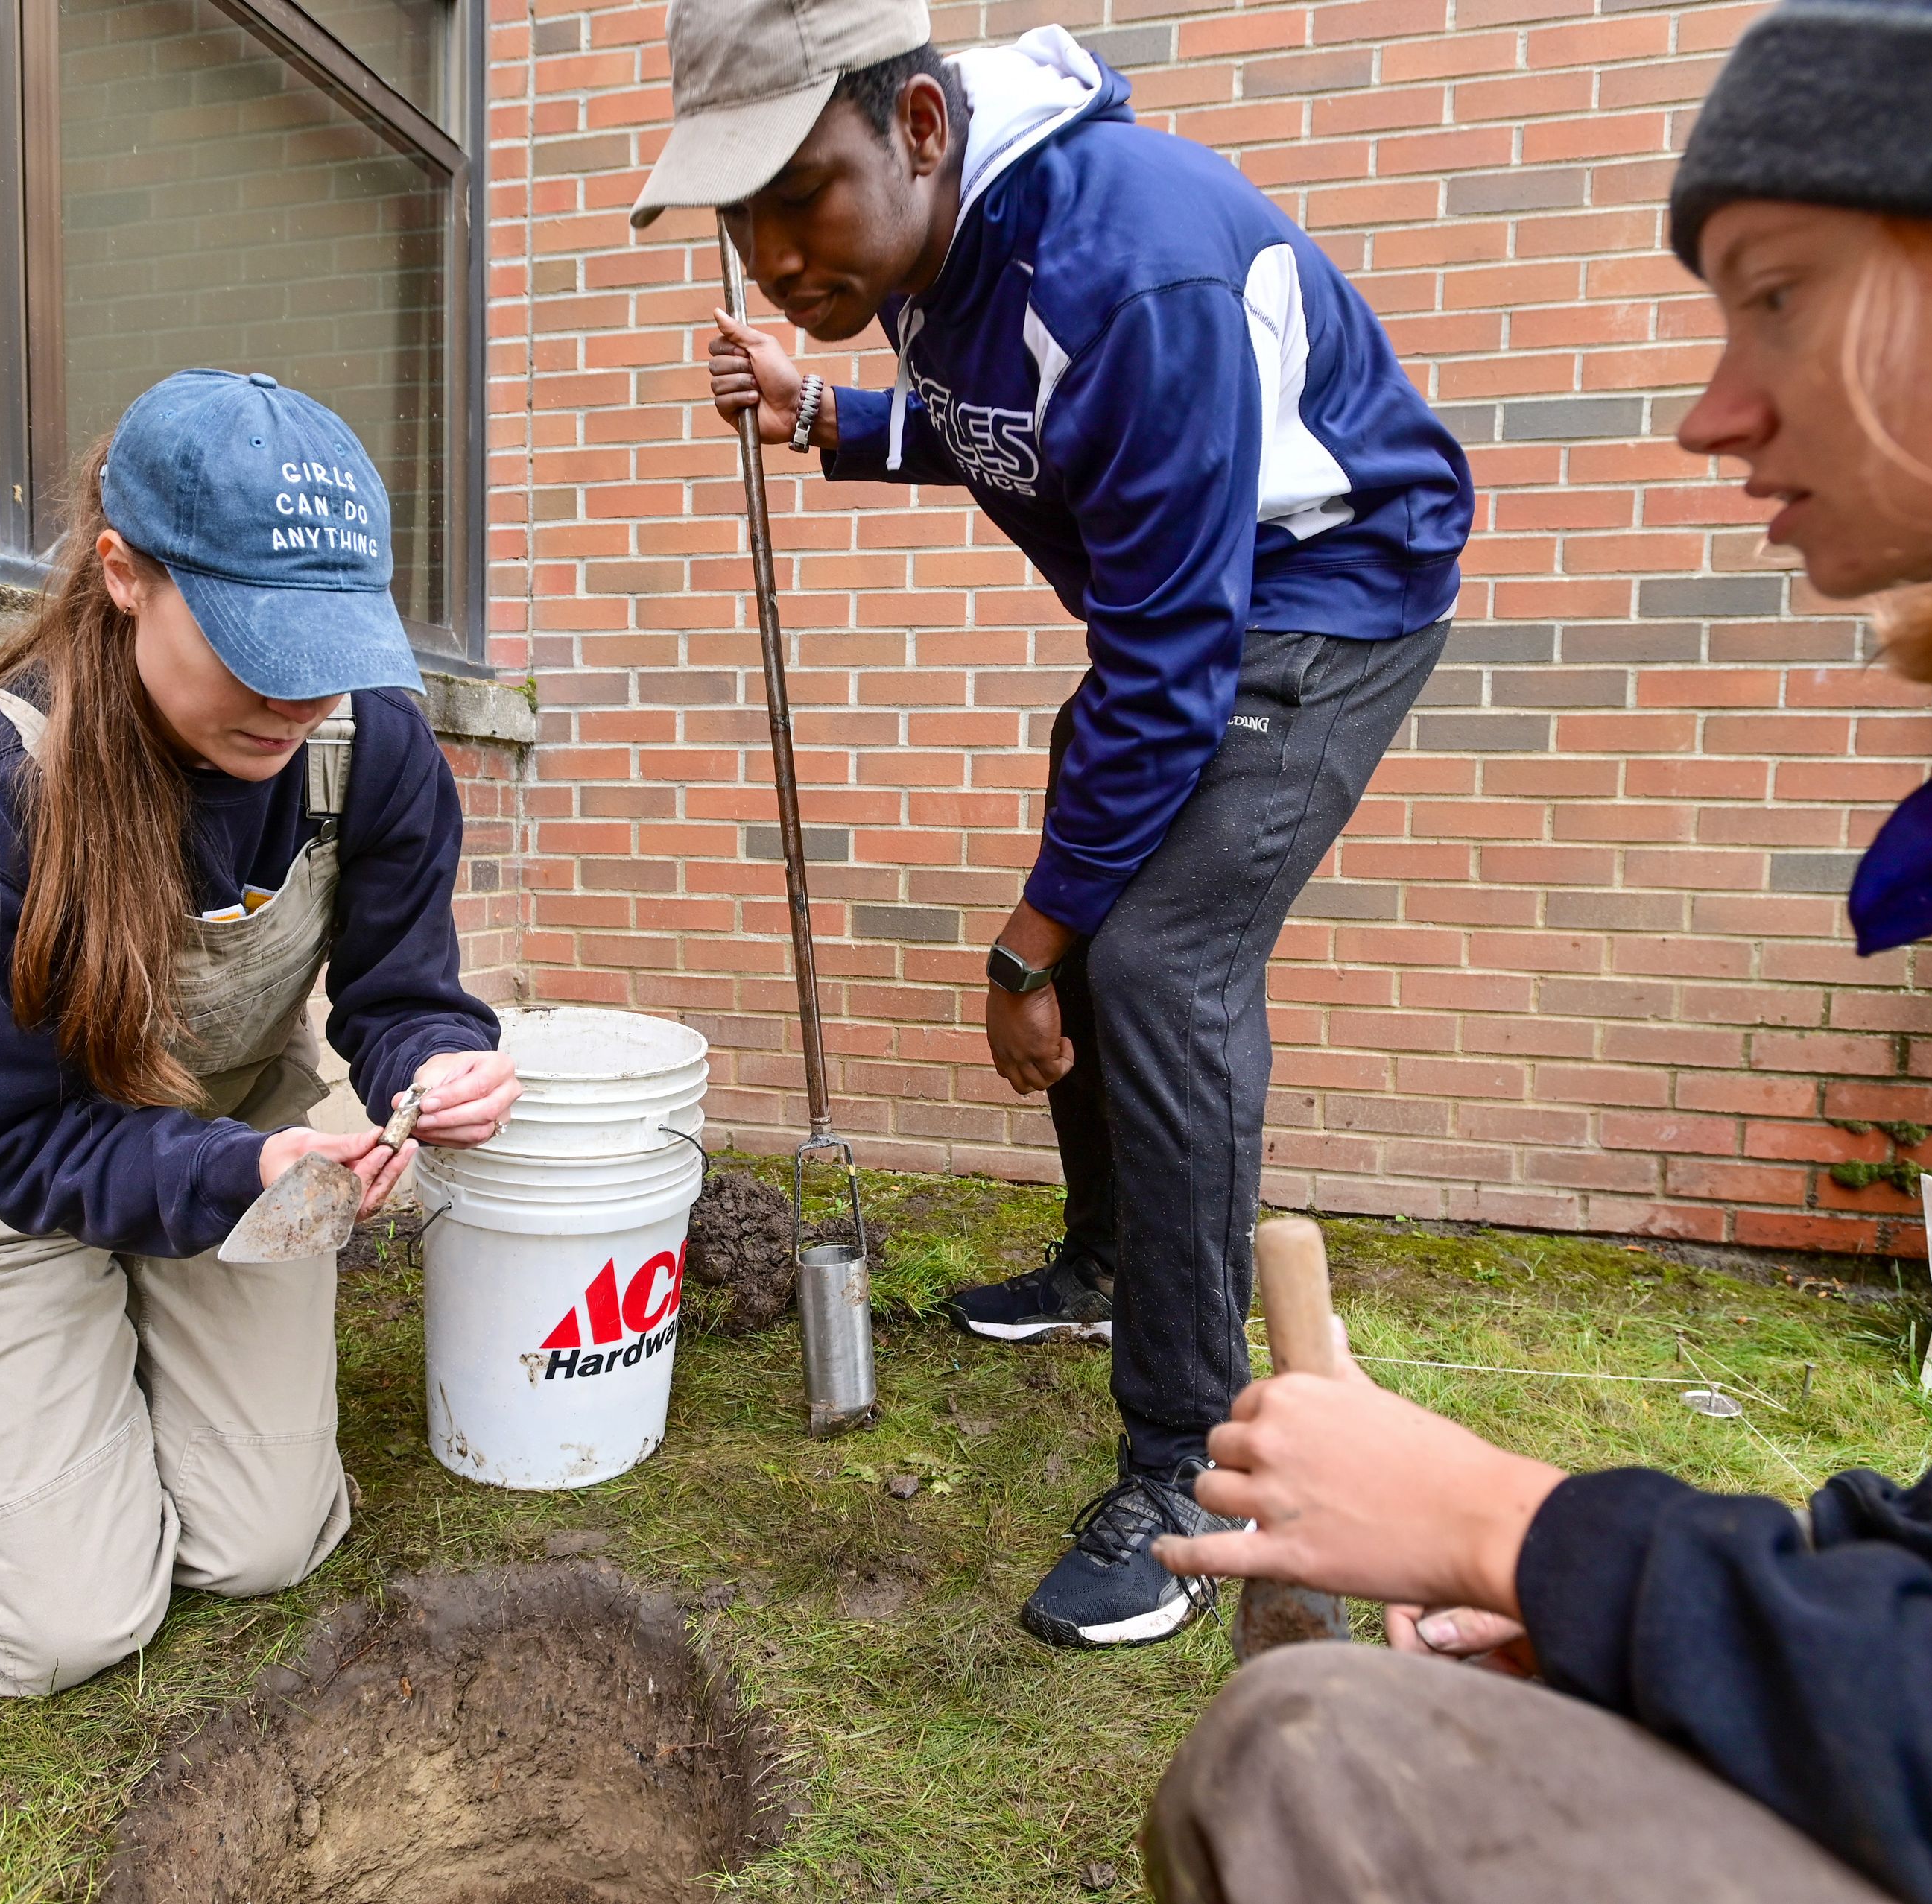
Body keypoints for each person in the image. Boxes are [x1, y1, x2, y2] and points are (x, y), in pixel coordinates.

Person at [1141, 1, 1932, 1897]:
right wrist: (1640, 1619)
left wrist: (1535, 1537)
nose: (1713, 407)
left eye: (1780, 298)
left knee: (1318, 1766)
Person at [649, 0, 1473, 1650]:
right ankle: (1106, 1266)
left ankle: (1189, 1468)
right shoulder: (951, 260)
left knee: (1155, 957)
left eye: (797, 194)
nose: (771, 256)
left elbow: (1168, 676)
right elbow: (1013, 432)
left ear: (924, 131)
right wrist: (826, 410)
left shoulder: (1131, 265)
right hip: (1205, 617)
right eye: (738, 220)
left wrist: (1026, 952)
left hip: (1327, 597)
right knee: (1103, 879)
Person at [0, 370, 522, 1698]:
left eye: (329, 659)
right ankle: (41, 1351)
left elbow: (397, 991)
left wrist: (431, 1060)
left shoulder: (375, 749)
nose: (297, 703)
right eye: (259, 651)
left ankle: (131, 1358)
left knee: (264, 1545)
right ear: (125, 572)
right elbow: (12, 1135)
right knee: (69, 1632)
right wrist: (232, 1177)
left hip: (216, 1134)